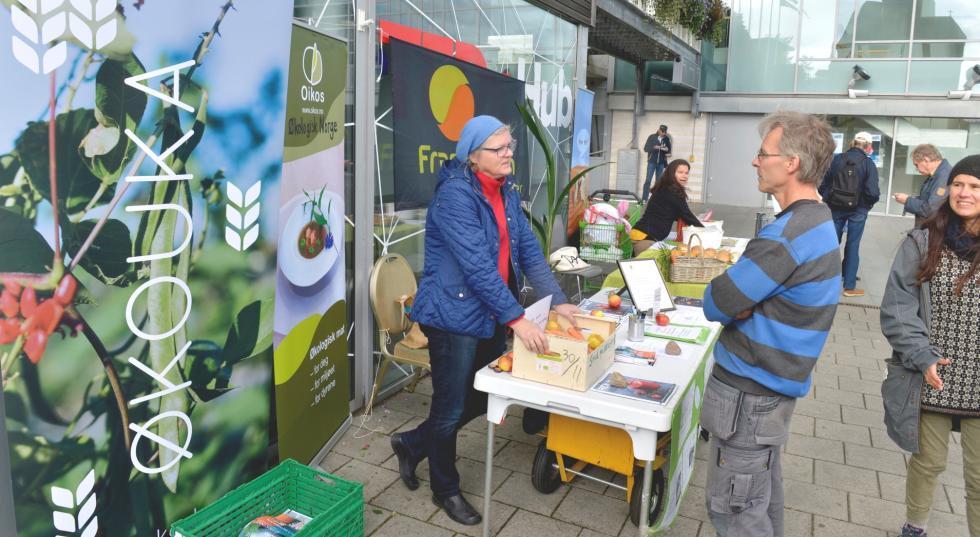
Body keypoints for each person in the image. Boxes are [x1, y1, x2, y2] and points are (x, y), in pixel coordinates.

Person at [389, 115, 581, 526]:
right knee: (449, 405)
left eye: (510, 146)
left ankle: (412, 443)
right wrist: (518, 321)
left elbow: (529, 251)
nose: (509, 153)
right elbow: (477, 267)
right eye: (500, 148)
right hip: (453, 316)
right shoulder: (455, 197)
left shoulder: (505, 191)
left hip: (491, 313)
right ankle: (446, 490)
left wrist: (559, 302)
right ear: (474, 157)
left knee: (482, 395)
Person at [700, 111, 841, 537]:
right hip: (769, 393)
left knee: (735, 511)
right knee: (761, 501)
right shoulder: (818, 219)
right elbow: (735, 302)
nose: (755, 161)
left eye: (763, 153)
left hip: (749, 395)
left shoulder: (785, 236)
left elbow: (716, 300)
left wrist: (739, 303)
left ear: (791, 163)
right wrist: (744, 303)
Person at [880, 154, 980, 537]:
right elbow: (897, 307)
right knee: (927, 462)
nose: (963, 192)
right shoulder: (923, 239)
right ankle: (915, 525)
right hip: (931, 373)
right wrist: (922, 356)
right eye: (958, 184)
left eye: (974, 186)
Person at [819, 131, 881, 297]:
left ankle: (824, 280)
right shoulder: (868, 164)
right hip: (858, 211)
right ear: (868, 147)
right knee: (853, 245)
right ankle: (849, 285)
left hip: (835, 208)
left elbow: (823, 185)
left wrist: (828, 201)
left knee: (832, 243)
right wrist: (865, 206)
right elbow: (873, 192)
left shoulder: (836, 160)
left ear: (852, 143)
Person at [629, 159, 703, 254]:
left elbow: (669, 212)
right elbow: (686, 215)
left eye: (686, 173)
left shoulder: (666, 188)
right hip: (646, 238)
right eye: (680, 172)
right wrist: (705, 230)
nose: (684, 176)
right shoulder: (672, 191)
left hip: (643, 234)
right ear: (671, 173)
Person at [893, 144, 953, 228]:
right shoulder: (936, 174)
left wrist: (907, 200)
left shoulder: (943, 177)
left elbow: (930, 209)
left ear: (926, 160)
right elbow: (928, 199)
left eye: (916, 164)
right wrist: (911, 199)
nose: (916, 169)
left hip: (934, 230)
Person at [641, 124, 671, 203]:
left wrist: (665, 149)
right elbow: (645, 149)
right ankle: (644, 198)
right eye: (662, 132)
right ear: (659, 130)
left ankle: (656, 199)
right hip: (652, 162)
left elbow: (669, 150)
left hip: (661, 163)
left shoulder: (666, 139)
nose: (663, 133)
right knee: (648, 180)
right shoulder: (652, 137)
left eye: (665, 132)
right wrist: (654, 148)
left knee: (659, 182)